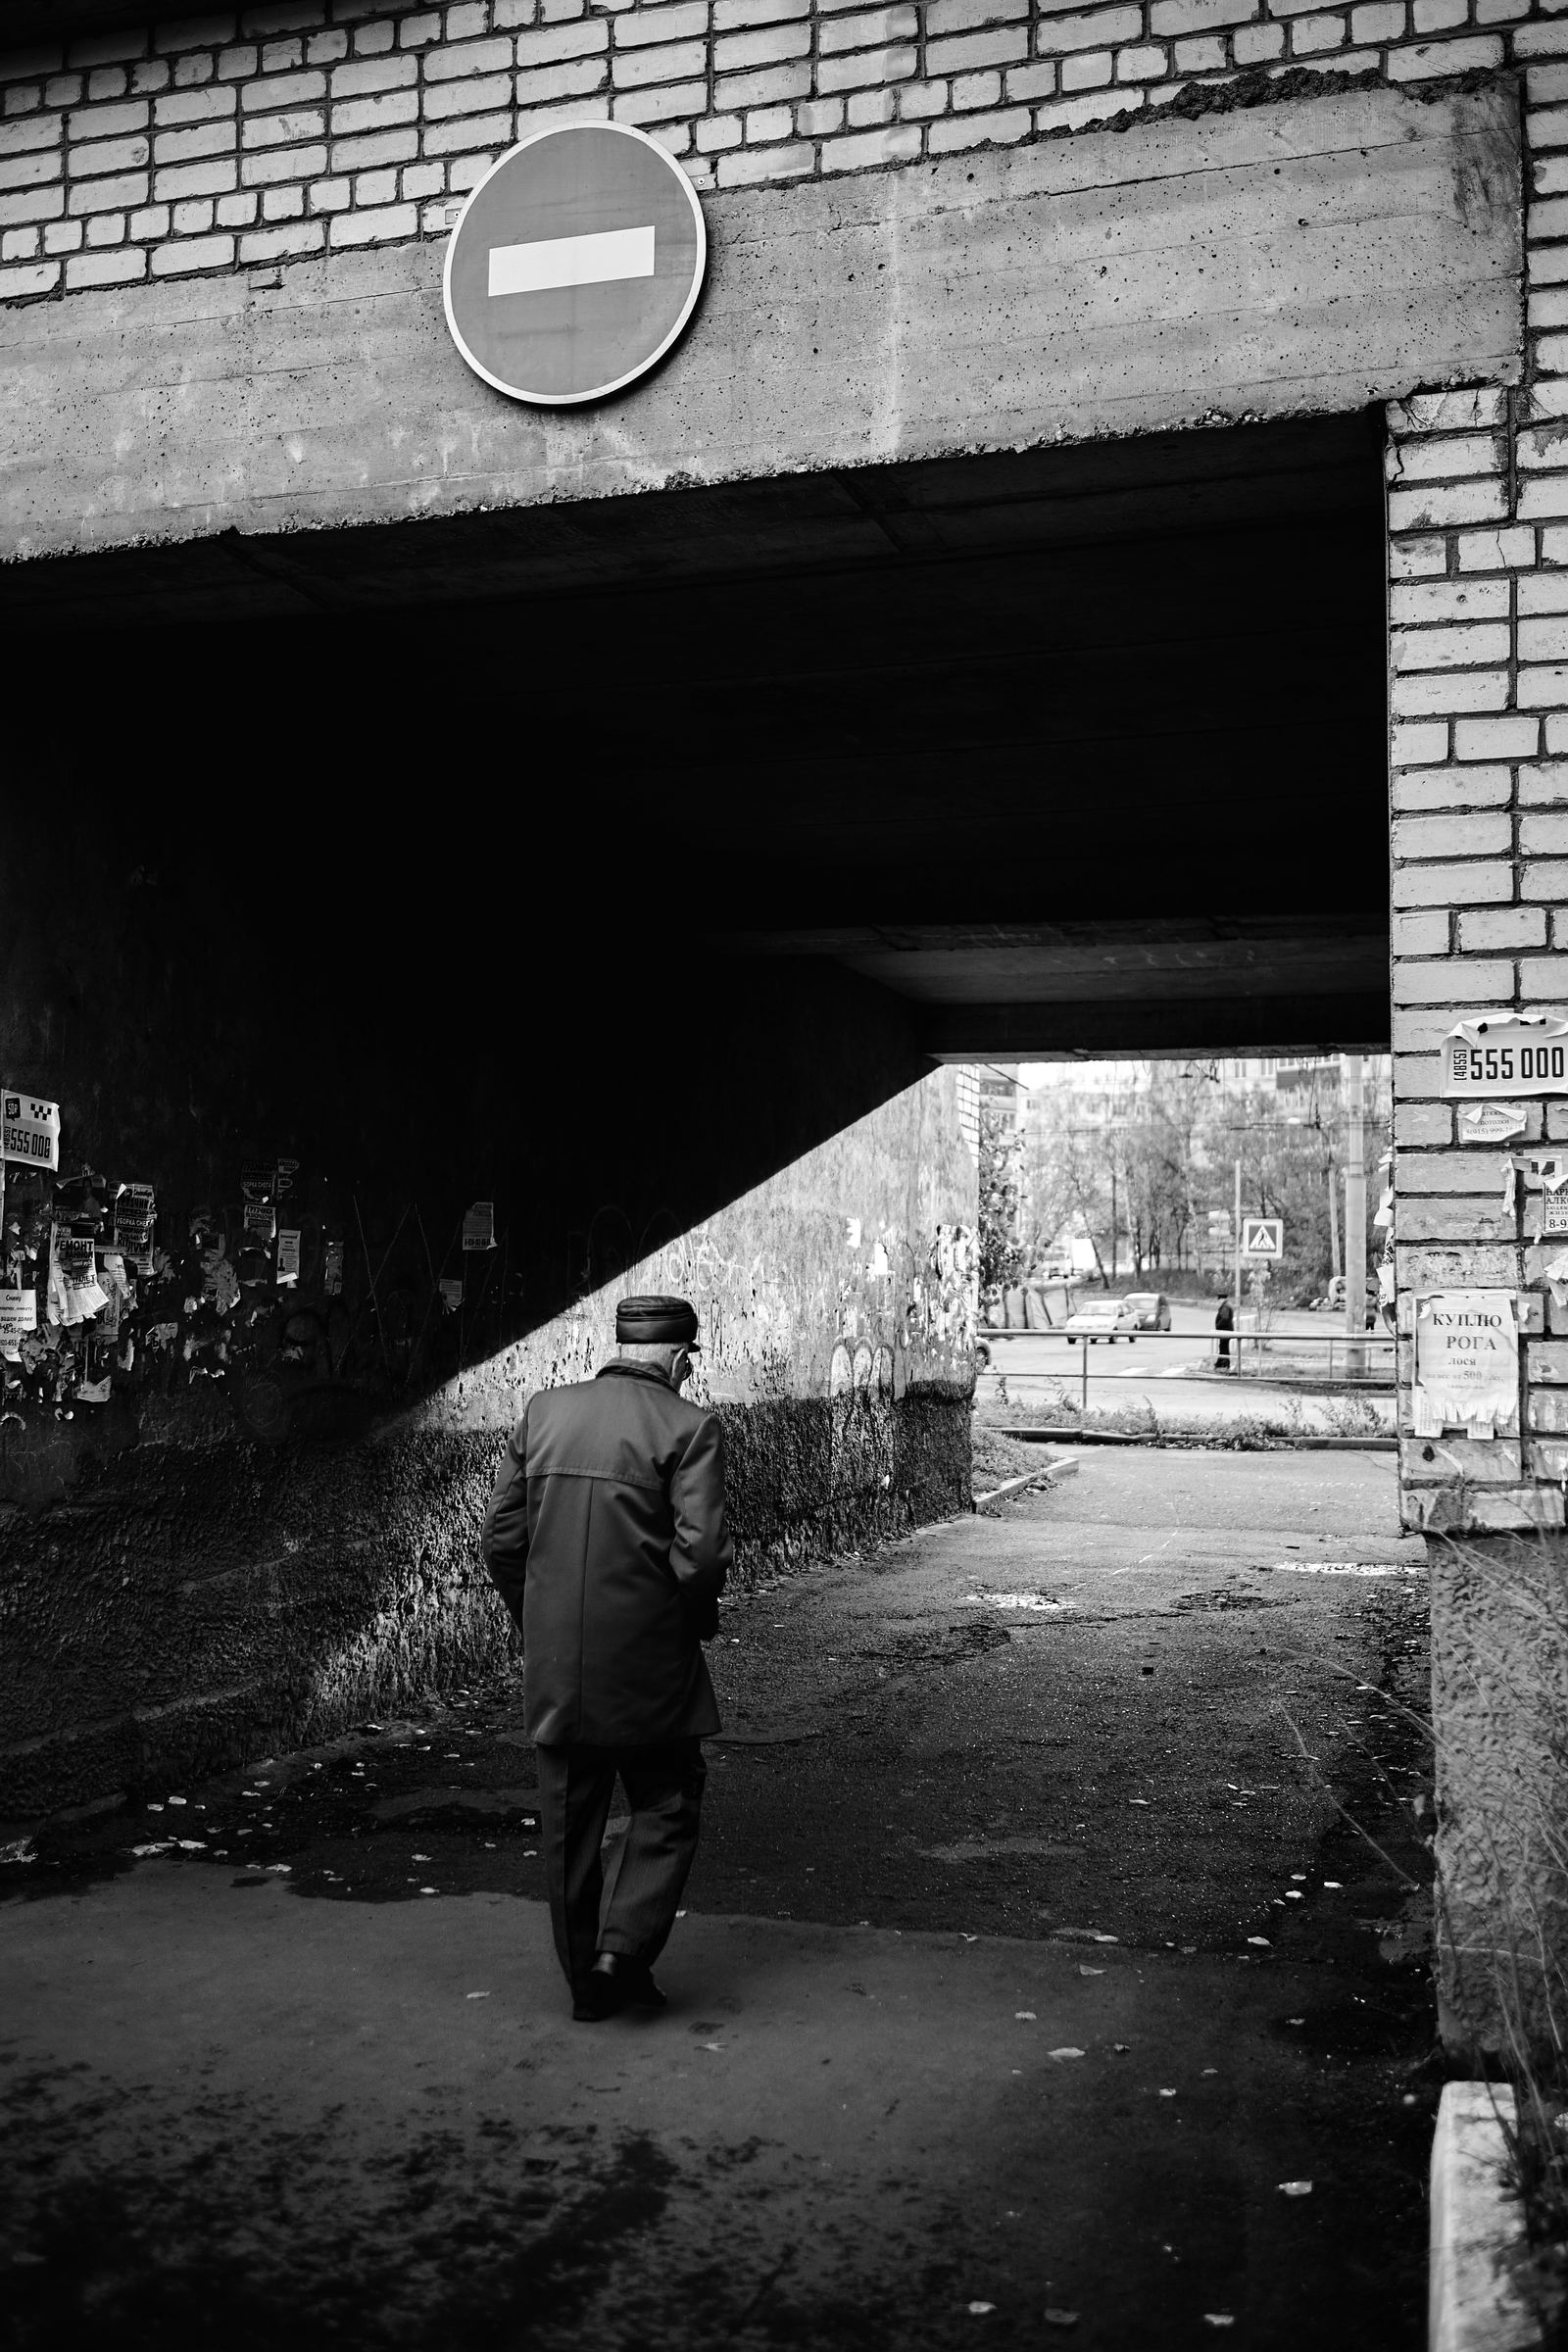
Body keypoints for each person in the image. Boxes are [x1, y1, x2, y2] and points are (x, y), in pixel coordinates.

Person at [481, 1294, 732, 2023]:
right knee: (669, 1800)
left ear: (621, 1345)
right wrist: (693, 1624)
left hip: (558, 1662)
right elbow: (702, 1554)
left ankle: (584, 1982)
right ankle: (621, 1951)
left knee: (568, 1824)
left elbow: (501, 1541)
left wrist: (540, 1624)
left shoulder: (544, 1412)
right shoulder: (690, 1427)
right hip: (650, 1662)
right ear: (682, 1358)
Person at [1214, 1293, 1234, 1370]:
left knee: (1223, 1347)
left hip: (1225, 1330)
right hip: (1225, 1331)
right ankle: (1222, 1363)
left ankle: (1223, 1363)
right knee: (1223, 1347)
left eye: (1219, 1300)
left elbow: (1224, 1319)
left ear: (1222, 1299)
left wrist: (1218, 1325)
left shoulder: (1225, 1306)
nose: (1218, 1302)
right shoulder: (1227, 1305)